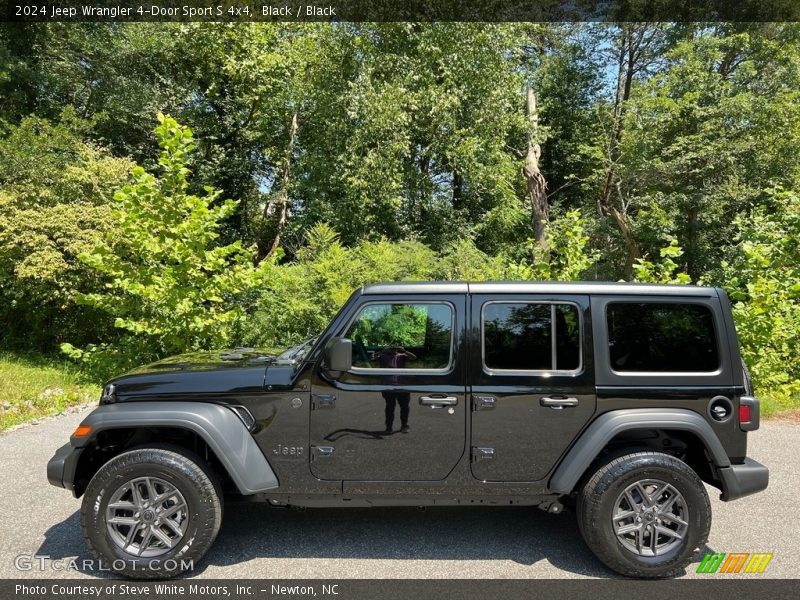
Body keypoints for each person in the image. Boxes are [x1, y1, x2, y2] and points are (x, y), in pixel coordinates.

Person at [377, 346, 416, 434]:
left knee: (405, 406)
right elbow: (372, 357)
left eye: (395, 348)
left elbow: (414, 357)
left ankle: (404, 425)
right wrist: (383, 350)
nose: (393, 349)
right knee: (390, 407)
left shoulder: (402, 355)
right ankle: (389, 427)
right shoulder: (383, 356)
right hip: (388, 385)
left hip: (402, 385)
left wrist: (404, 350)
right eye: (391, 348)